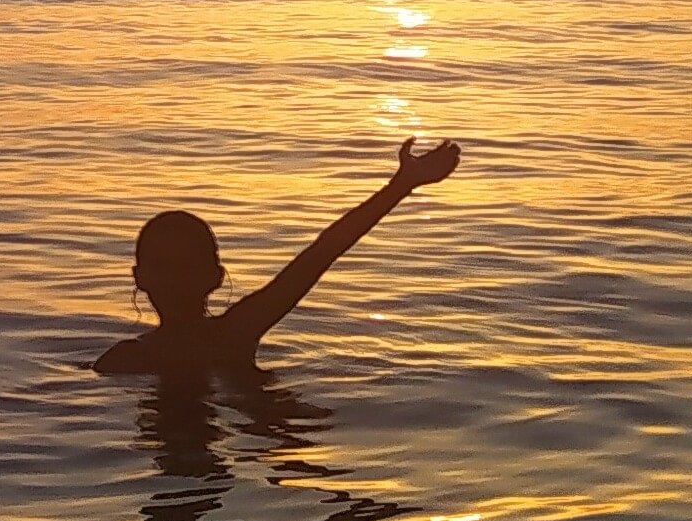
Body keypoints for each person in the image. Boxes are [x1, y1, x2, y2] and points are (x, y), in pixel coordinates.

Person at [90, 138, 463, 376]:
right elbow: (322, 253)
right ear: (141, 277)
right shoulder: (133, 358)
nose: (175, 281)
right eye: (165, 268)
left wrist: (400, 186)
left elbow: (322, 254)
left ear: (216, 277)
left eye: (185, 268)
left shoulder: (224, 335)